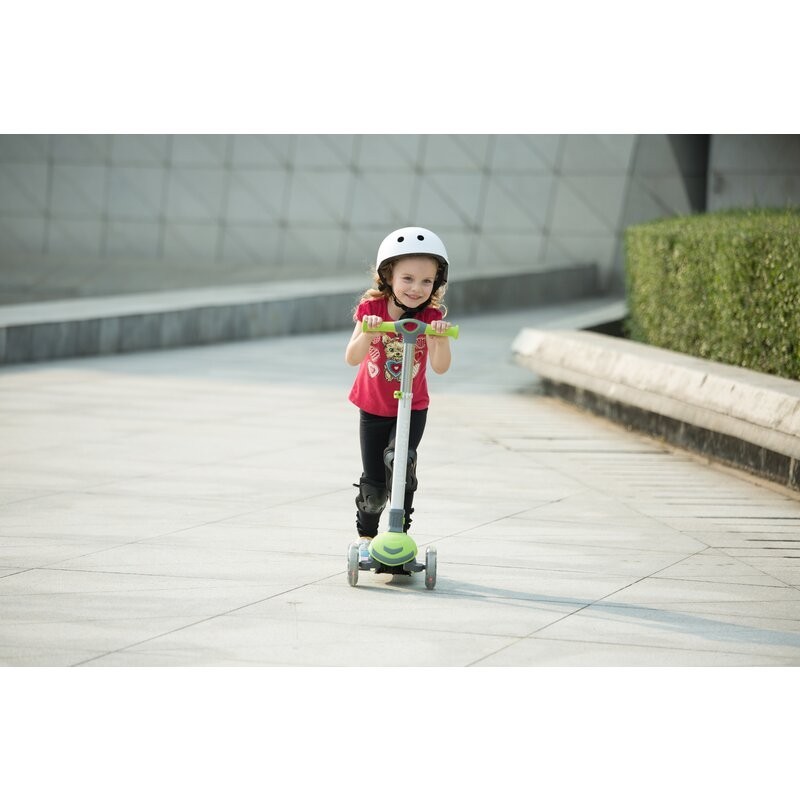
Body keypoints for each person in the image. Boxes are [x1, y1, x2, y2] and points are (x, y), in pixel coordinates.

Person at [345, 226, 452, 565]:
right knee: (376, 483)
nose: (416, 288)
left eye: (426, 281)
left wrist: (439, 339)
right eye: (407, 278)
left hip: (412, 405)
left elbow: (441, 367)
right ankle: (366, 536)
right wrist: (369, 331)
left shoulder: (431, 317)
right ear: (388, 275)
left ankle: (400, 534)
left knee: (401, 465)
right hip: (373, 406)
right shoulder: (371, 308)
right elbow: (352, 357)